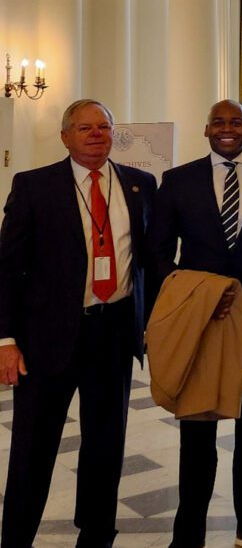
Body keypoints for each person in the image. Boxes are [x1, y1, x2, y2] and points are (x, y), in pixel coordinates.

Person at [0, 99, 156, 548]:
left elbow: (150, 263)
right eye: (84, 128)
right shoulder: (34, 186)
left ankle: (97, 535)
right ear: (65, 136)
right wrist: (6, 339)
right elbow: (8, 269)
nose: (95, 135)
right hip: (48, 338)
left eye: (103, 127)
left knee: (106, 444)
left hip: (114, 332)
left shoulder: (140, 186)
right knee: (33, 447)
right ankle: (17, 539)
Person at [149, 99, 242, 548]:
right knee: (197, 430)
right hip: (200, 321)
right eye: (219, 122)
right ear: (206, 129)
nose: (227, 129)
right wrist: (188, 300)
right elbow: (156, 255)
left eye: (236, 123)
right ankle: (188, 534)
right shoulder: (177, 182)